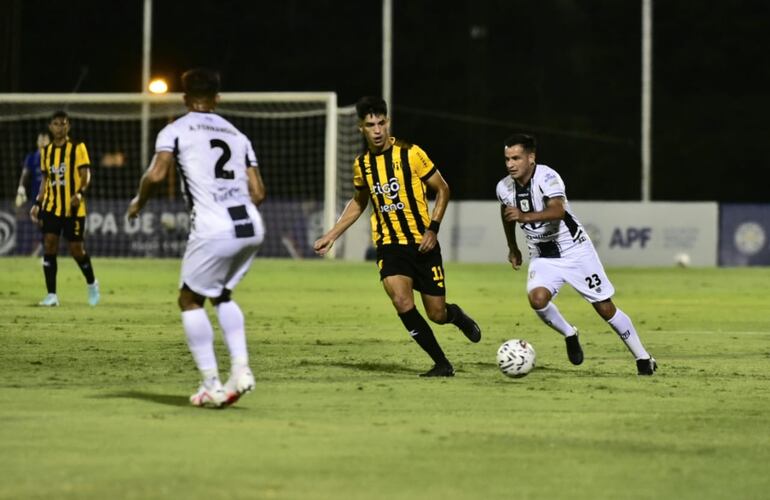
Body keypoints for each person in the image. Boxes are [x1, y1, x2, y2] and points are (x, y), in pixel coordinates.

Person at [127, 68, 266, 408]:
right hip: (250, 225)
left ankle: (211, 385)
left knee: (189, 300)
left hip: (213, 226)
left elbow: (157, 173)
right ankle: (241, 368)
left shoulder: (176, 129)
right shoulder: (237, 134)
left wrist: (138, 202)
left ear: (185, 98)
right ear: (217, 98)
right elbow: (258, 192)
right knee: (221, 295)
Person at [314, 96, 481, 377]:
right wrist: (332, 234)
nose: (377, 130)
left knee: (437, 314)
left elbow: (443, 189)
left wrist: (433, 228)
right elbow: (359, 202)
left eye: (381, 123)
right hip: (389, 247)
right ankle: (441, 363)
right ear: (361, 129)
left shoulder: (411, 153)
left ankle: (458, 317)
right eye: (370, 125)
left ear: (388, 122)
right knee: (402, 302)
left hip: (422, 244)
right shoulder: (362, 165)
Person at [496, 133, 657, 375]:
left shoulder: (548, 177)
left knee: (604, 307)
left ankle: (643, 358)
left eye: (516, 158)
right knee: (537, 299)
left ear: (531, 158)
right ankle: (570, 333)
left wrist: (525, 216)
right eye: (507, 159)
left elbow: (557, 211)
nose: (510, 164)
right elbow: (507, 214)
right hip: (542, 254)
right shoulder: (504, 187)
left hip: (575, 251)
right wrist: (513, 247)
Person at [29, 111, 100, 307]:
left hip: (73, 209)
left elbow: (86, 175)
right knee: (50, 245)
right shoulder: (46, 152)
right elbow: (45, 181)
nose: (60, 127)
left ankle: (92, 283)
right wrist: (37, 203)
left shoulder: (78, 148)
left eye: (63, 123)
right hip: (51, 207)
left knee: (76, 250)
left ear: (68, 126)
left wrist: (80, 193)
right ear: (50, 127)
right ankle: (51, 295)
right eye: (56, 124)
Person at [16, 132, 51, 256]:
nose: (43, 142)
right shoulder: (31, 157)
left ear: (49, 142)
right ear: (37, 142)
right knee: (41, 224)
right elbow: (25, 174)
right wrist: (21, 188)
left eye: (45, 139)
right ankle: (44, 247)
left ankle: (45, 249)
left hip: (53, 197)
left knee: (50, 224)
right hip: (36, 198)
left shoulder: (54, 157)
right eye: (41, 139)